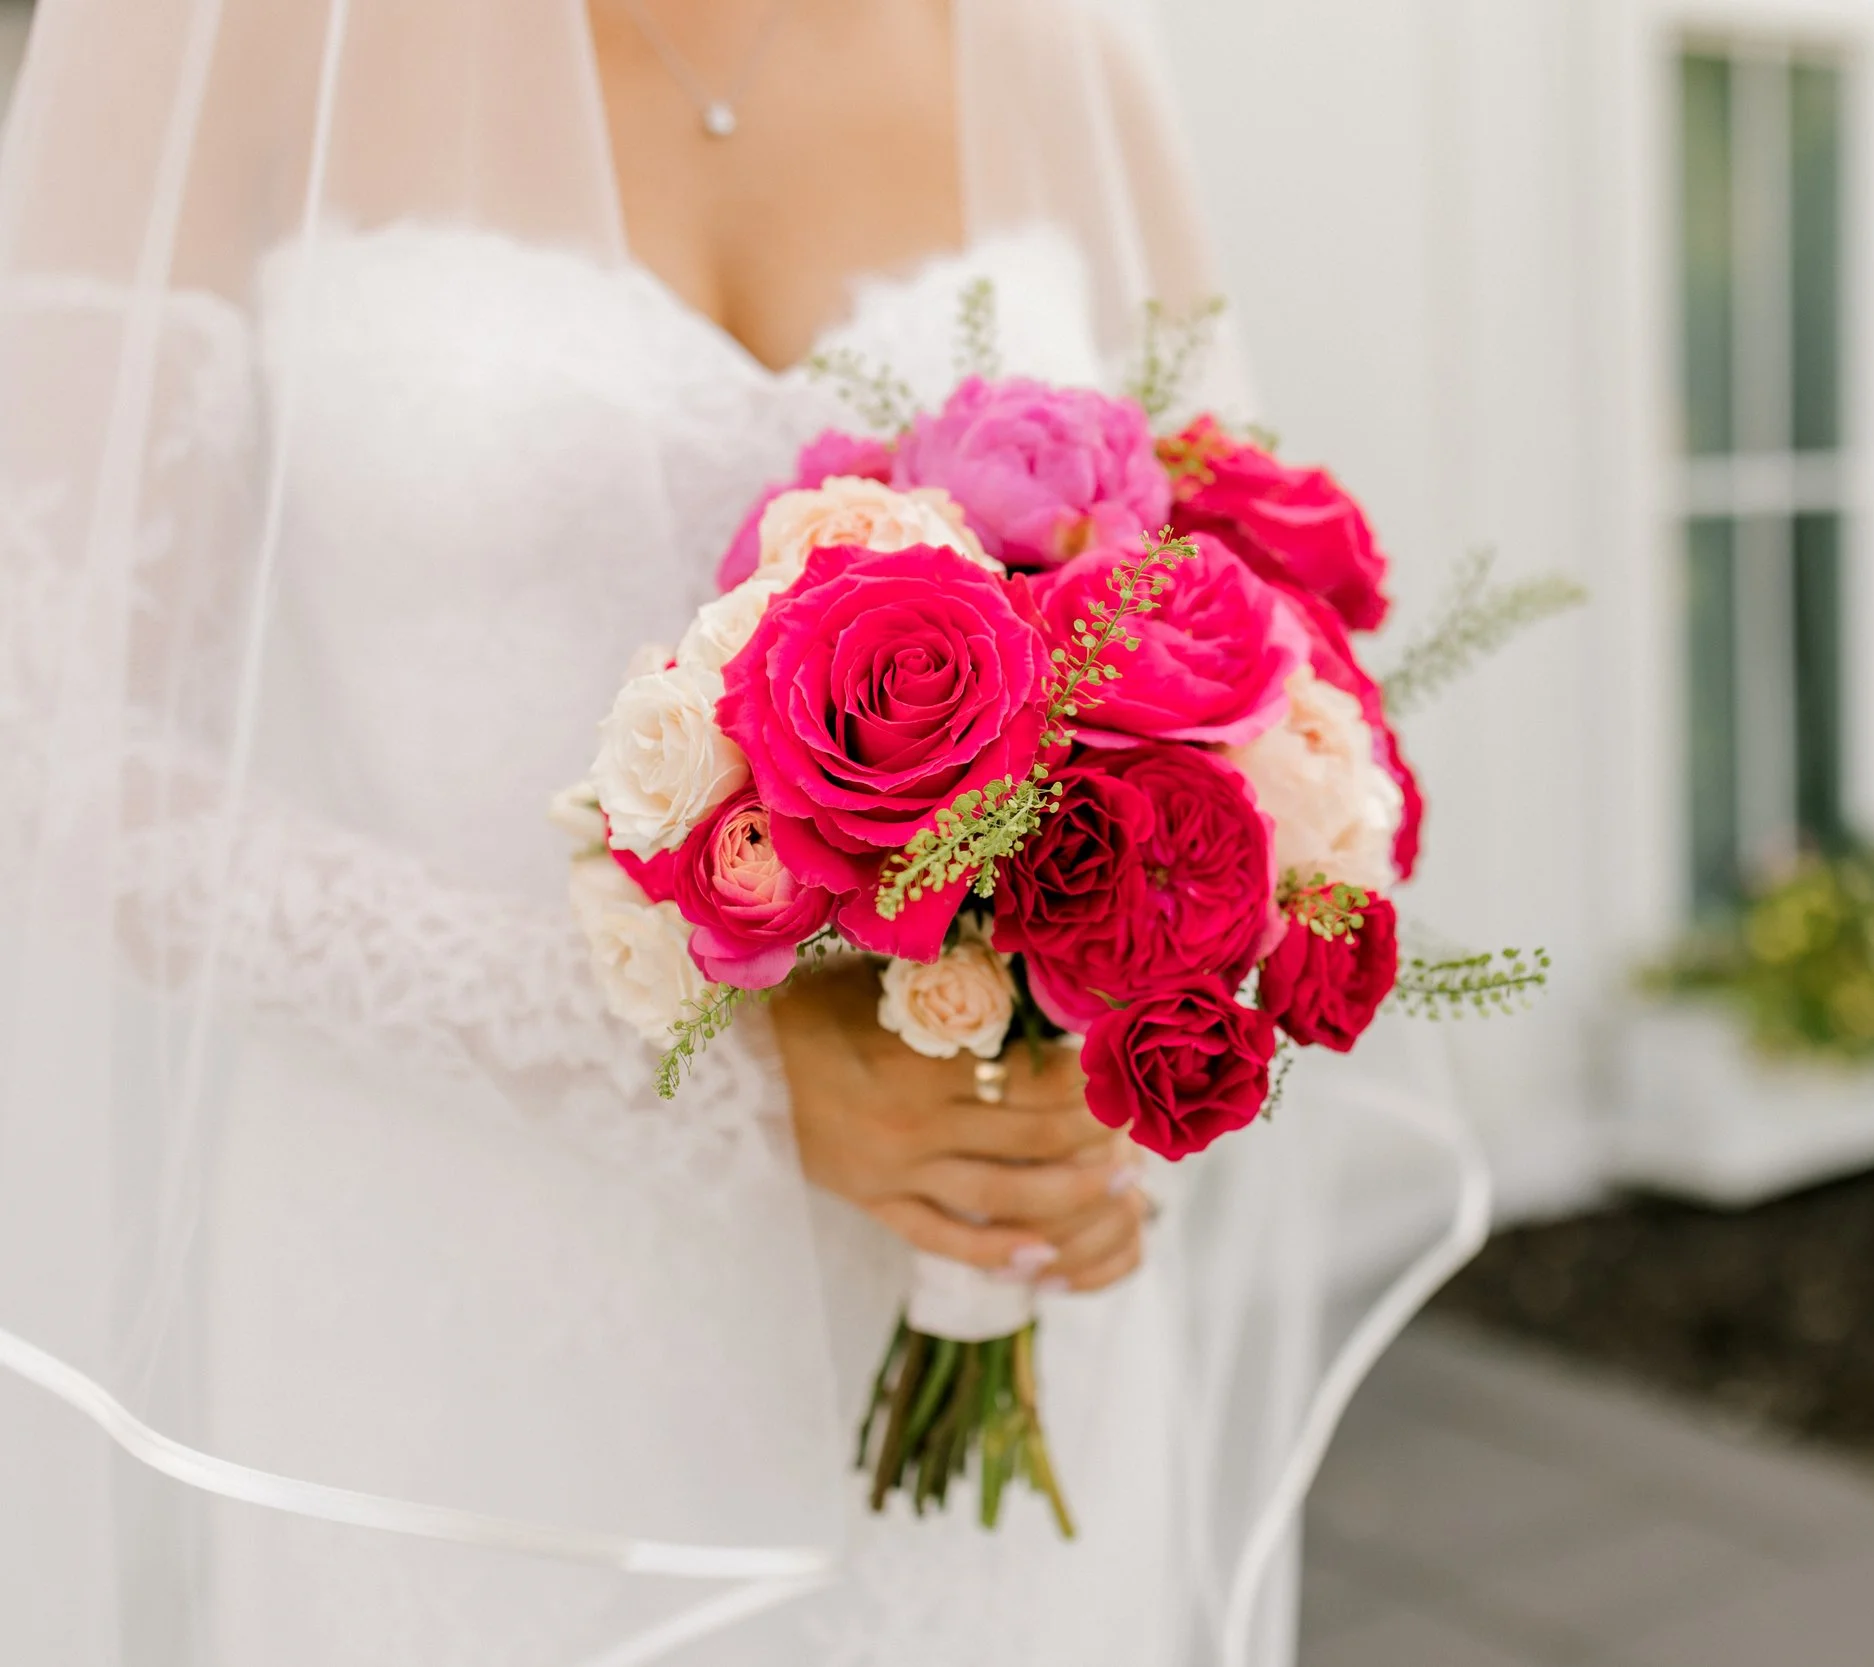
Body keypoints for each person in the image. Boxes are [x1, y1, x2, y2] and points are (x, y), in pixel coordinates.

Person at [0, 2, 1485, 1663]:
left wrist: (1100, 1063)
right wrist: (728, 1067)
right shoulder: (223, 38)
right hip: (464, 1329)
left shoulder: (1060, 57)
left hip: (975, 1293)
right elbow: (53, 752)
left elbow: (1250, 647)